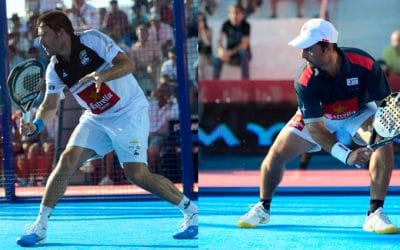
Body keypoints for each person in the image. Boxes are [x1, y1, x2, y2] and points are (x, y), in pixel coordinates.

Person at [16, 11, 198, 247]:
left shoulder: (92, 40)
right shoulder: (54, 68)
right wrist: (36, 125)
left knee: (137, 175)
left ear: (61, 33)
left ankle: (190, 210)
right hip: (97, 118)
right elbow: (49, 105)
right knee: (67, 161)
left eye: (44, 35)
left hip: (129, 113)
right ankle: (39, 226)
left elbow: (127, 64)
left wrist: (102, 75)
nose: (40, 42)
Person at [237, 19, 398, 234]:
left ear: (328, 46)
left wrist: (387, 129)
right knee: (275, 156)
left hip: (358, 112)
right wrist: (347, 155)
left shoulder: (365, 64)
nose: (303, 55)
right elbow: (316, 129)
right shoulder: (304, 79)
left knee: (382, 144)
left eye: (308, 48)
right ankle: (263, 207)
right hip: (320, 118)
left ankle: (375, 213)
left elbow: (386, 108)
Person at [213, 4, 251, 80]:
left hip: (240, 54)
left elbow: (244, 45)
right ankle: (215, 82)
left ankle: (245, 81)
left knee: (243, 53)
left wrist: (230, 53)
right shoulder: (226, 24)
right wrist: (221, 50)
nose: (234, 15)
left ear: (242, 14)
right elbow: (219, 40)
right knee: (217, 58)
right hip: (229, 54)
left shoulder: (246, 25)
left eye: (237, 13)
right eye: (232, 13)